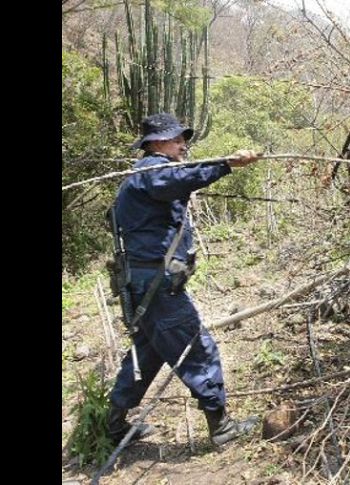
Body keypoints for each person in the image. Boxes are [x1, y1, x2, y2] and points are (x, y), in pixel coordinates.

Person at [107, 112, 260, 446]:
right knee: (197, 348)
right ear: (157, 143)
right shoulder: (152, 171)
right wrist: (226, 165)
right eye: (177, 139)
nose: (183, 145)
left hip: (144, 282)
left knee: (147, 353)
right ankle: (222, 429)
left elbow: (175, 184)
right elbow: (176, 182)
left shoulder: (145, 175)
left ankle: (114, 425)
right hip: (156, 286)